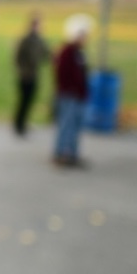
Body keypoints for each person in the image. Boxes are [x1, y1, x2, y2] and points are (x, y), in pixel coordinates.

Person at [52, 14, 93, 168]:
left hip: (78, 96)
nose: (85, 38)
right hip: (68, 95)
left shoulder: (79, 52)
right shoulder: (67, 51)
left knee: (76, 126)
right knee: (66, 125)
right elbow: (62, 74)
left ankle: (73, 154)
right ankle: (61, 153)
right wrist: (72, 89)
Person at [13, 13, 50, 135]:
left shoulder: (39, 40)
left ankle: (24, 123)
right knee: (23, 101)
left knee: (30, 101)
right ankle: (18, 125)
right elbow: (18, 57)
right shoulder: (26, 40)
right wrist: (23, 72)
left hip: (34, 75)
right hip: (25, 76)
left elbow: (46, 54)